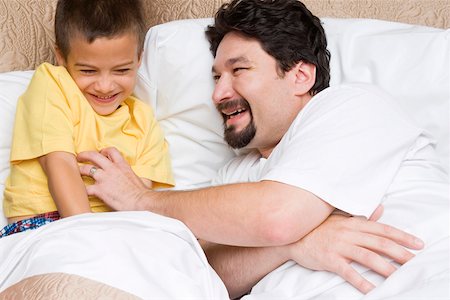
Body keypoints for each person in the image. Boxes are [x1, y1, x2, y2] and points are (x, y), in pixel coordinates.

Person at [77, 0, 448, 298]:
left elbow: (276, 217)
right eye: (217, 77)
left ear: (300, 76)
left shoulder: (350, 106)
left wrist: (141, 200)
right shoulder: (235, 175)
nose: (219, 93)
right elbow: (208, 275)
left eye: (238, 71)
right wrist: (292, 246)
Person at [1, 0, 174, 238]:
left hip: (112, 230)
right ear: (61, 57)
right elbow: (59, 164)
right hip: (42, 225)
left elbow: (138, 201)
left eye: (122, 70)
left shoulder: (142, 120)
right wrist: (89, 236)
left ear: (138, 59)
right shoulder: (52, 84)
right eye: (88, 71)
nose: (104, 86)